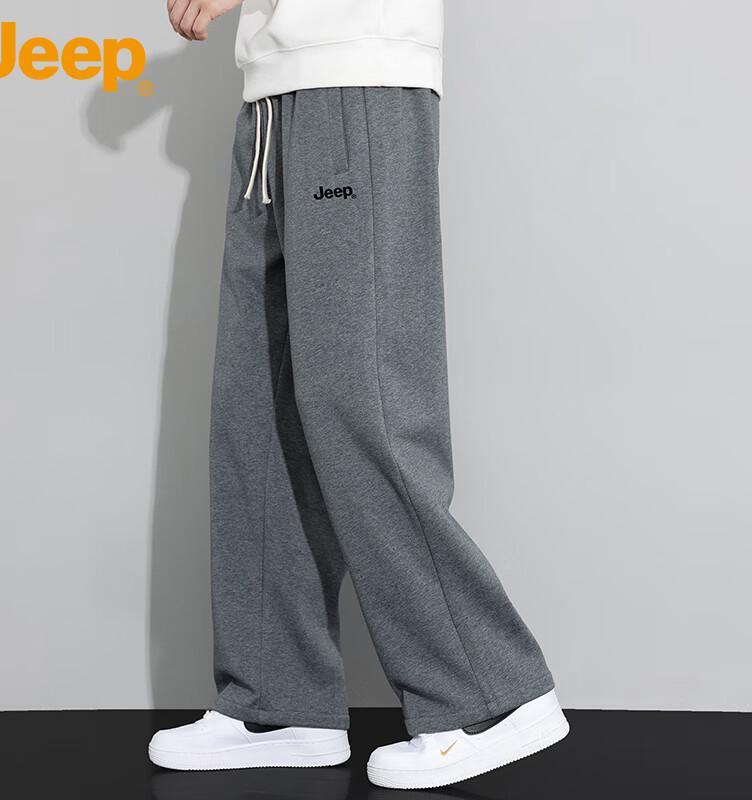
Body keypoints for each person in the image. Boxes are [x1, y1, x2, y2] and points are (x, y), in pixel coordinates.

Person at [149, 0, 569, 789]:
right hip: (274, 95)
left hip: (355, 81)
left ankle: (490, 698)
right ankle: (279, 701)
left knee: (362, 398)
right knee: (259, 408)